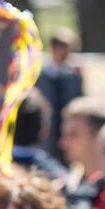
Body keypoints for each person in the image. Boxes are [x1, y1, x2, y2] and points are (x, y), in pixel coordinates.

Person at [37, 28, 85, 161]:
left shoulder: (73, 75)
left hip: (66, 125)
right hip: (48, 126)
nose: (64, 54)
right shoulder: (41, 74)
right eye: (61, 49)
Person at [59, 97, 105, 192]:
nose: (63, 143)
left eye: (73, 134)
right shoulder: (67, 185)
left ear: (98, 136)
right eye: (65, 135)